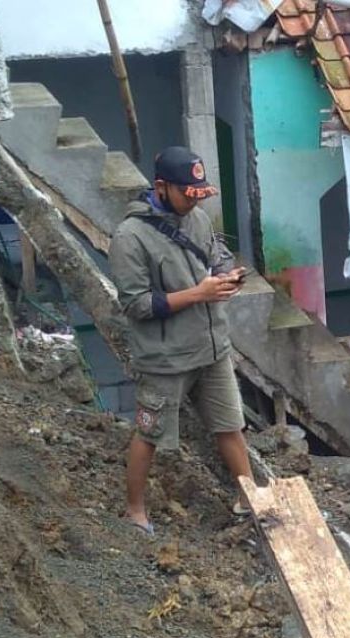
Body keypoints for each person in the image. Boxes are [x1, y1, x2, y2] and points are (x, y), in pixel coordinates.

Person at [109, 146, 253, 535]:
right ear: (161, 187)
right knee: (149, 433)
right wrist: (199, 294)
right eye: (186, 194)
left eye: (198, 194)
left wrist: (228, 277)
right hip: (164, 358)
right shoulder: (130, 237)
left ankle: (250, 497)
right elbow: (137, 304)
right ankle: (135, 510)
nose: (193, 202)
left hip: (211, 348)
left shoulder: (199, 220)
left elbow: (216, 255)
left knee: (230, 425)